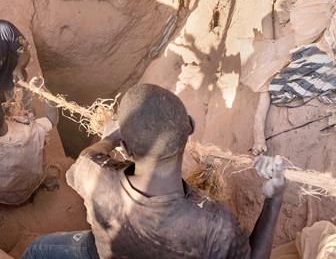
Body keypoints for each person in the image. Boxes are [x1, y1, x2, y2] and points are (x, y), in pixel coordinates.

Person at [22, 83, 285, 259]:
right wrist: (273, 200)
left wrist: (115, 136)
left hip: (101, 252)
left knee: (36, 250)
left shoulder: (93, 175)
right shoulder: (215, 225)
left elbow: (88, 156)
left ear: (125, 147)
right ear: (190, 128)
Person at [0, 95, 59, 213]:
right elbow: (52, 120)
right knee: (41, 169)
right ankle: (49, 183)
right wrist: (49, 96)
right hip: (25, 181)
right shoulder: (30, 131)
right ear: (4, 114)